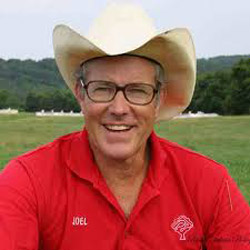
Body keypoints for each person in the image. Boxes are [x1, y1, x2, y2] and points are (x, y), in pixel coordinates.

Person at [0, 3, 250, 250]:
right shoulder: (27, 182)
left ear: (159, 99)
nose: (119, 108)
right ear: (80, 93)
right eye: (103, 89)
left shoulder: (210, 184)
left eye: (137, 91)